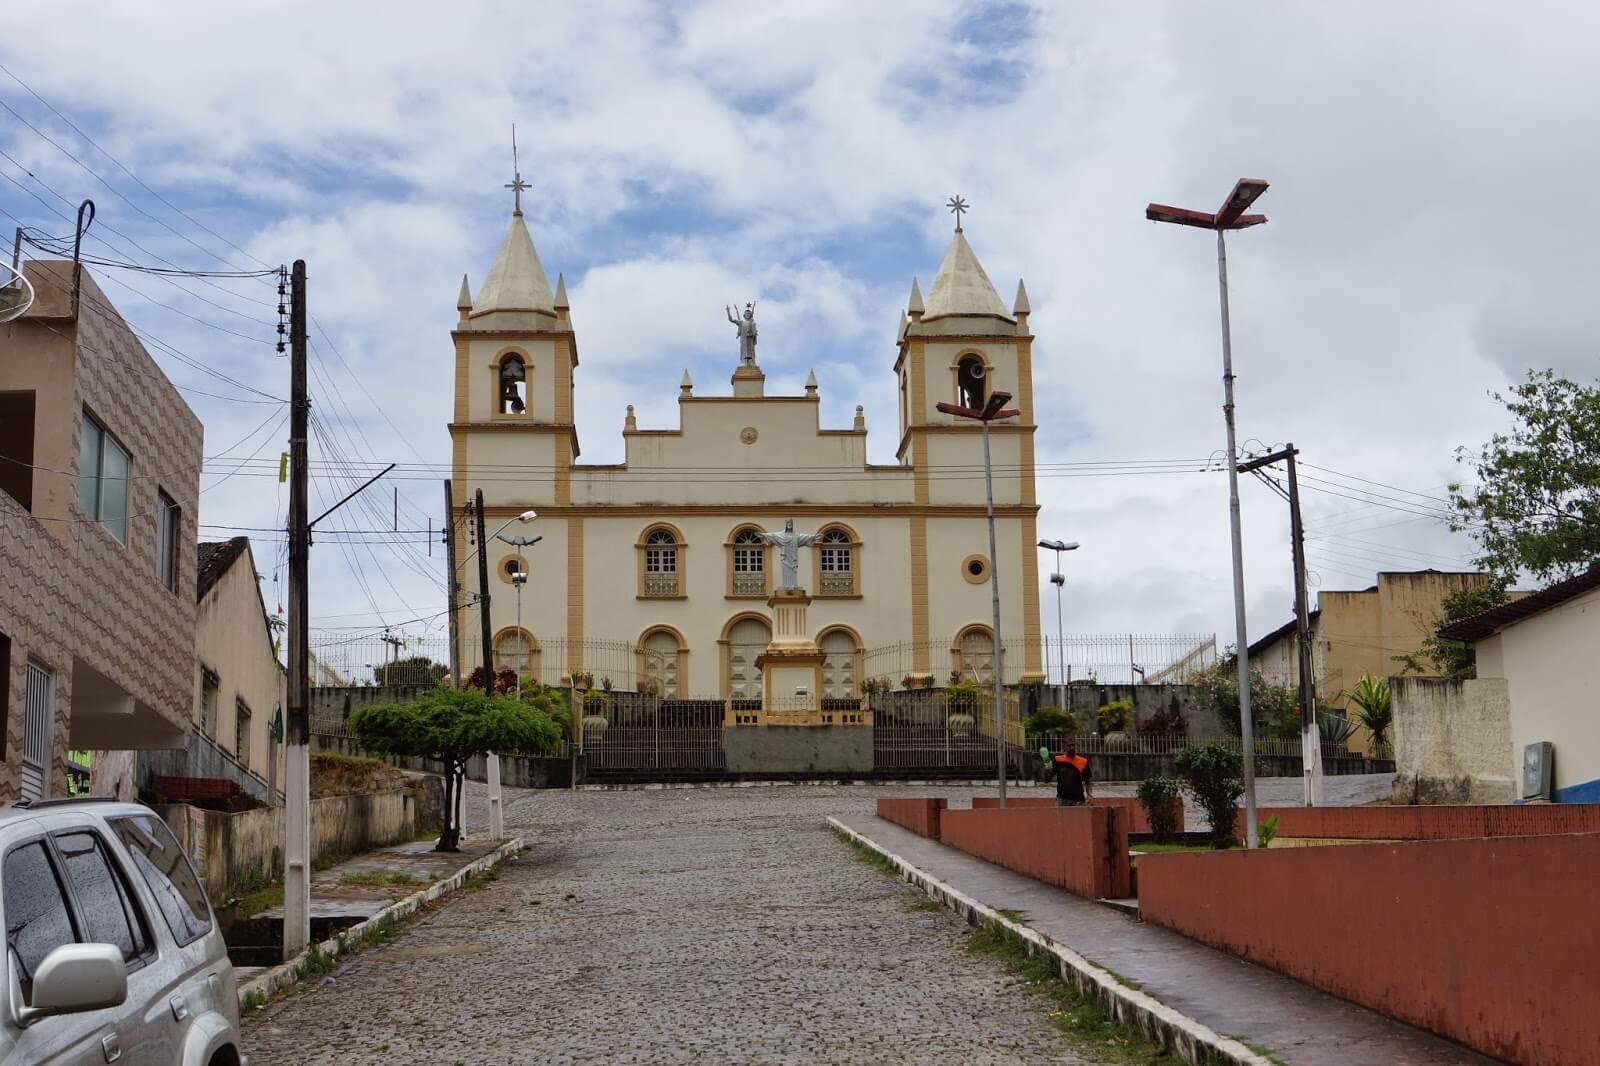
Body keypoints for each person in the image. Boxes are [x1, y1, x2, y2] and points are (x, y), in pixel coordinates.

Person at [1050, 738, 1092, 807]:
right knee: (1060, 818)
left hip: (1078, 799)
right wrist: (1047, 771)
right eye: (1069, 745)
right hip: (1062, 799)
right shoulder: (1057, 760)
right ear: (1064, 746)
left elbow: (1088, 780)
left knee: (1078, 818)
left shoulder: (1083, 761)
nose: (1072, 748)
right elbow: (1047, 780)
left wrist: (1089, 794)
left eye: (1074, 745)